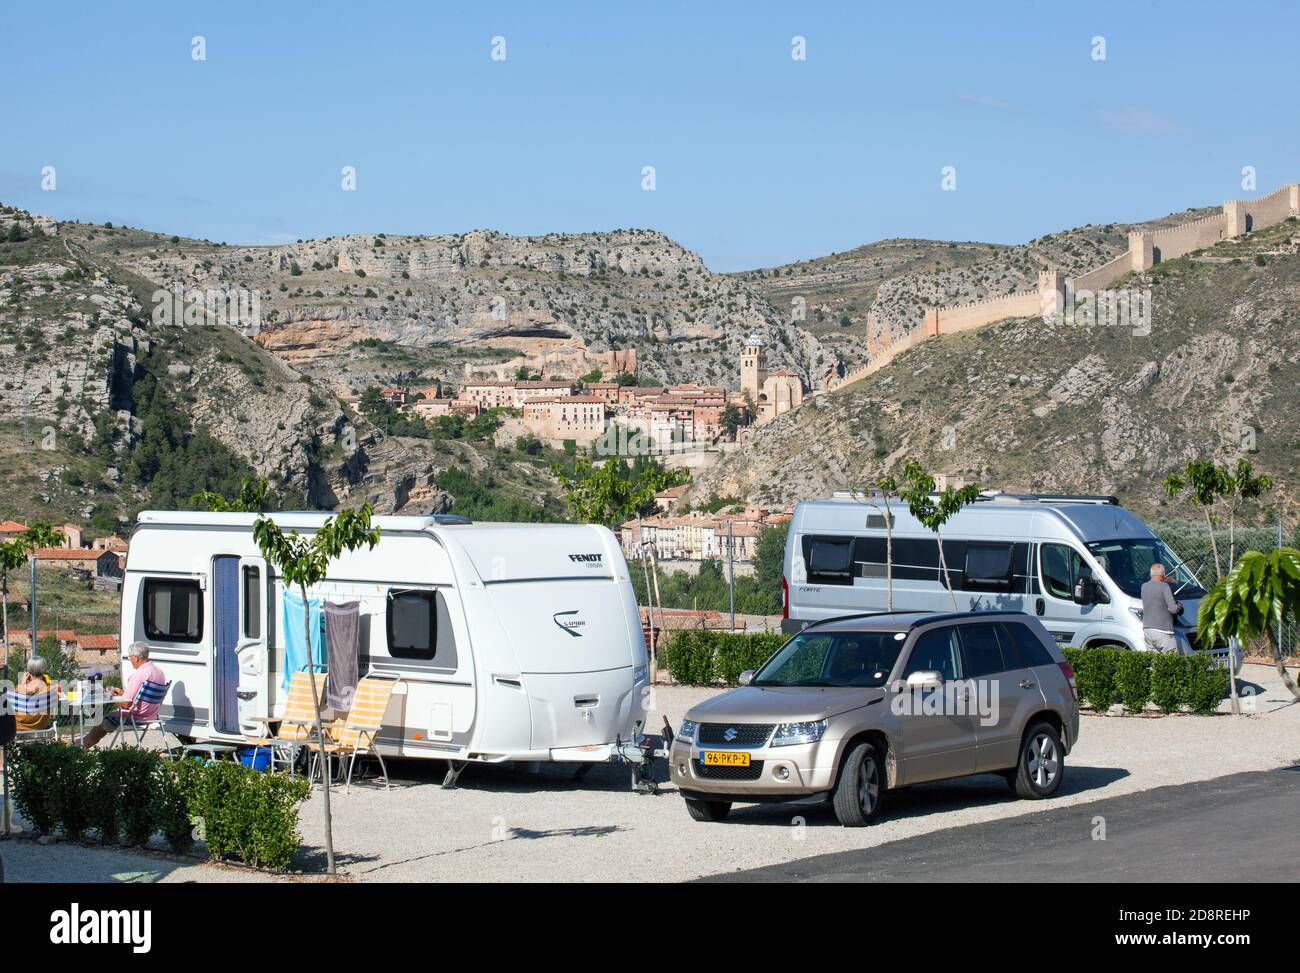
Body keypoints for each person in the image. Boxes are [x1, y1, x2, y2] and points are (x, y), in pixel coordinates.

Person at [81, 642, 164, 748]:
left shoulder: (139, 675)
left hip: (135, 717)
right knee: (104, 722)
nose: (130, 661)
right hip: (151, 716)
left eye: (130, 658)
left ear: (136, 658)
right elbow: (139, 696)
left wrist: (111, 696)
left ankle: (81, 747)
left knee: (102, 722)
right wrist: (122, 693)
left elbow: (125, 704)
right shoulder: (159, 673)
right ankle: (82, 743)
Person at [1140, 563, 1185, 654]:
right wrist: (1179, 606)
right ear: (1164, 574)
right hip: (1162, 632)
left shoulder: (1144, 586)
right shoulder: (1164, 587)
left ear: (1151, 574)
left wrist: (1165, 579)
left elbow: (1155, 589)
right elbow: (1173, 609)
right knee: (1172, 661)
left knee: (1155, 663)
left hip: (1147, 630)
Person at [13, 658, 52, 733]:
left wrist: (22, 684)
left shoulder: (19, 689)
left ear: (29, 671)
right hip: (40, 727)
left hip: (18, 726)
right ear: (44, 670)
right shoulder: (49, 690)